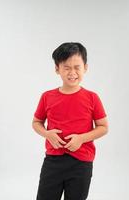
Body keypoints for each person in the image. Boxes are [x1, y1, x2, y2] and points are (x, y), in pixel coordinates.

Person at [32, 42, 108, 200]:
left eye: (77, 67)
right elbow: (36, 122)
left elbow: (103, 127)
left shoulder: (92, 98)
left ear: (85, 68)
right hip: (53, 161)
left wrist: (81, 138)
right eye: (66, 67)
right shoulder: (47, 96)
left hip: (81, 162)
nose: (72, 72)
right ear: (57, 69)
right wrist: (47, 134)